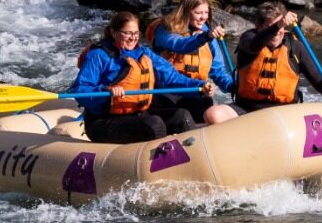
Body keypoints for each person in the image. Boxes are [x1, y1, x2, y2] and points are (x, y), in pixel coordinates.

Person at [72, 11, 216, 144]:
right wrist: (105, 91)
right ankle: (160, 168)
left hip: (136, 114)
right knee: (154, 125)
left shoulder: (144, 53)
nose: (133, 38)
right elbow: (80, 90)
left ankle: (191, 163)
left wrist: (200, 86)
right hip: (103, 121)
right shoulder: (98, 55)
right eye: (127, 33)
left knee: (181, 117)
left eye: (136, 33)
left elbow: (172, 78)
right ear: (113, 32)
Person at [206, 1, 322, 124]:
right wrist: (279, 25)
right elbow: (253, 46)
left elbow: (317, 78)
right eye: (271, 27)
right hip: (247, 109)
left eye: (281, 27)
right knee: (213, 114)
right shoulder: (248, 39)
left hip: (285, 111)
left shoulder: (295, 47)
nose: (278, 32)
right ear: (258, 26)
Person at [144, 0, 235, 125]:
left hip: (197, 90)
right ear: (186, 12)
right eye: (198, 13)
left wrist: (233, 86)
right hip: (169, 91)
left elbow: (217, 70)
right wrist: (204, 37)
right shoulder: (165, 29)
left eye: (206, 12)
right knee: (182, 119)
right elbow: (181, 45)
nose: (203, 17)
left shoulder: (207, 33)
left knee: (208, 113)